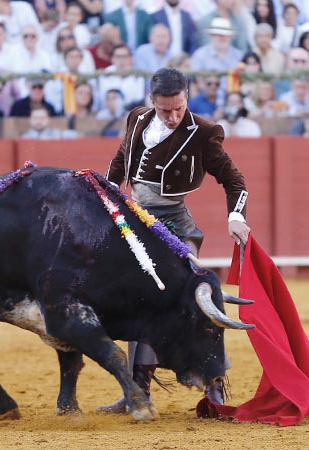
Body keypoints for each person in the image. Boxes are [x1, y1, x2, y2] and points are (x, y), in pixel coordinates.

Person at [98, 67, 249, 414]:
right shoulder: (137, 118)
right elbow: (121, 160)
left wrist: (236, 217)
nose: (173, 117)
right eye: (165, 110)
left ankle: (214, 387)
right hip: (136, 224)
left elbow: (234, 179)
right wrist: (106, 194)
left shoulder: (204, 131)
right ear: (152, 102)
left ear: (186, 99)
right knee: (137, 303)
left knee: (197, 301)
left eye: (179, 108)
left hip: (176, 227)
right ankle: (138, 393)